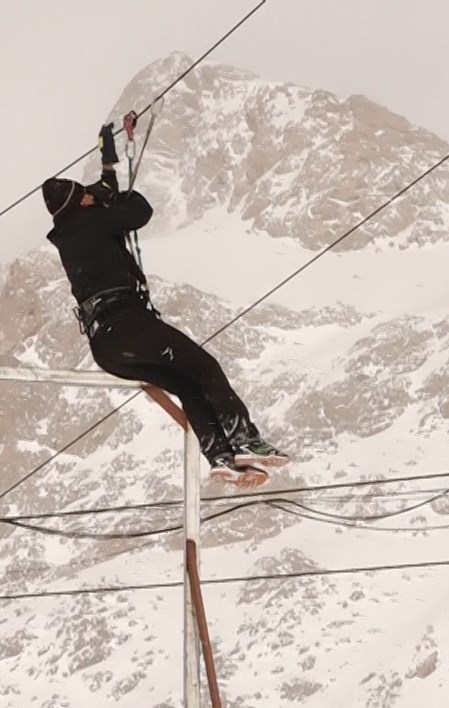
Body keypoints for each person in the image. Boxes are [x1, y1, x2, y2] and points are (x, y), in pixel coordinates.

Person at [42, 120, 289, 486]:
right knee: (204, 366)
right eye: (85, 195)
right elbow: (139, 210)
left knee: (187, 385)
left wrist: (108, 165)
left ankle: (220, 458)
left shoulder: (70, 231)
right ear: (80, 204)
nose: (91, 196)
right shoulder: (93, 221)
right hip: (127, 323)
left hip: (105, 344)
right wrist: (111, 194)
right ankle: (243, 439)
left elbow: (103, 195)